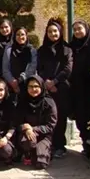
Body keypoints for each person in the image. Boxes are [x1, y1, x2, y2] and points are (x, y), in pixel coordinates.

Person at [37, 19, 73, 159]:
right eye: (50, 31)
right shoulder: (42, 50)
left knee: (60, 117)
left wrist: (55, 82)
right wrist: (46, 82)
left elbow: (68, 68)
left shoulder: (67, 49)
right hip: (46, 88)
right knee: (47, 117)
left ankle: (59, 146)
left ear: (60, 32)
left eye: (55, 31)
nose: (53, 34)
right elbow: (39, 68)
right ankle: (47, 144)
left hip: (61, 88)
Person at [15, 75, 57, 170]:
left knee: (41, 164)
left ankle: (41, 152)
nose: (33, 89)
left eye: (36, 86)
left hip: (43, 135)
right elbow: (16, 122)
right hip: (26, 134)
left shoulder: (49, 103)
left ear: (41, 87)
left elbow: (50, 125)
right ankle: (28, 153)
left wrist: (32, 129)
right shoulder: (22, 102)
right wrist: (25, 128)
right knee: (28, 142)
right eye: (30, 86)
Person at [68, 20, 90, 157]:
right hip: (77, 88)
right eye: (75, 29)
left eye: (80, 28)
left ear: (86, 29)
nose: (77, 31)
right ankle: (85, 147)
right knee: (81, 118)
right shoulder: (71, 47)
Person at [2, 27, 37, 101]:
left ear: (26, 36)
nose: (20, 37)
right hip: (10, 85)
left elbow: (32, 68)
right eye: (18, 34)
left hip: (27, 84)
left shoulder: (32, 50)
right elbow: (5, 68)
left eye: (22, 34)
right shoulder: (9, 50)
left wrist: (20, 79)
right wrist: (12, 82)